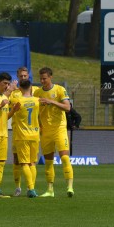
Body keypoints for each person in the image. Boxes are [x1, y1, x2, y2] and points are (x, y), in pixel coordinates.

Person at [34, 67, 74, 197]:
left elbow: (67, 107)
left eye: (44, 78)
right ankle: (50, 190)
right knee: (48, 161)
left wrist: (51, 101)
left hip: (59, 129)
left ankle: (69, 187)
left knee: (64, 157)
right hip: (45, 131)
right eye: (40, 78)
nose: (42, 81)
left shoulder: (59, 90)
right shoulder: (37, 93)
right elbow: (35, 112)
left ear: (50, 77)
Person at [9, 79, 40, 198]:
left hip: (22, 136)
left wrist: (11, 89)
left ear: (20, 89)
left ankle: (31, 189)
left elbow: (7, 115)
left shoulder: (17, 101)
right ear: (31, 87)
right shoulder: (37, 101)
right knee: (32, 163)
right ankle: (31, 188)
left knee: (24, 163)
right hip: (35, 135)